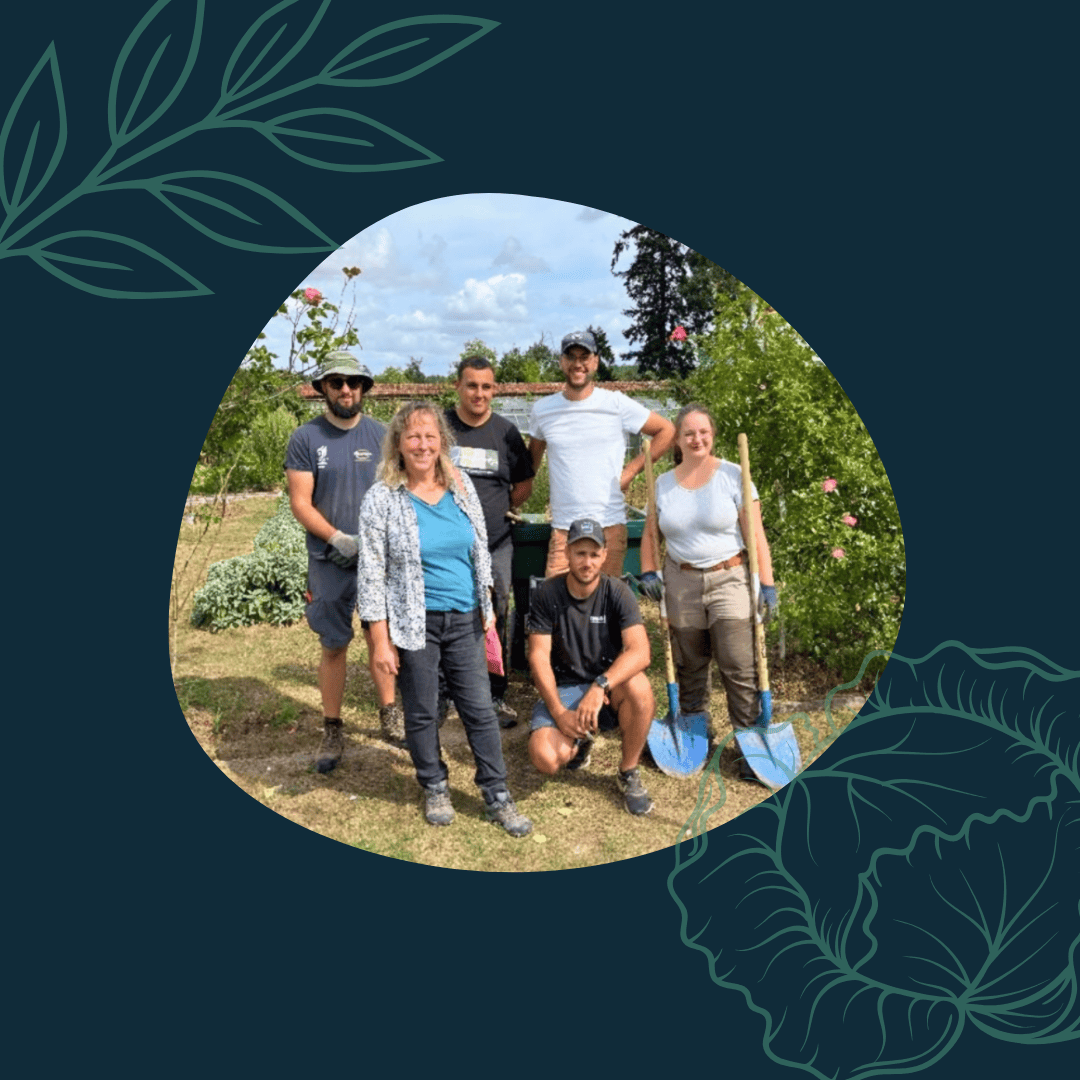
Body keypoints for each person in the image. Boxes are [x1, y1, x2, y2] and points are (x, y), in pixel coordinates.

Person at [357, 402, 533, 836]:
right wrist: (380, 641)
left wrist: (487, 605)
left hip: (466, 618)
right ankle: (434, 784)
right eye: (413, 436)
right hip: (414, 621)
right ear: (399, 442)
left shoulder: (461, 485)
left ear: (442, 442)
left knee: (478, 708)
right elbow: (371, 574)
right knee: (421, 710)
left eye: (430, 436)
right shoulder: (382, 497)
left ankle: (497, 793)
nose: (422, 444)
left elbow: (479, 548)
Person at [638, 404, 778, 778]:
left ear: (712, 435)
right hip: (681, 580)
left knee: (737, 662)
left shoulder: (735, 476)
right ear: (678, 440)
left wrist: (767, 583)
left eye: (703, 432)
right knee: (689, 662)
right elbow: (651, 534)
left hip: (729, 577)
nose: (696, 439)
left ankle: (750, 739)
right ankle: (693, 729)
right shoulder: (663, 483)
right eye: (688, 433)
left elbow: (756, 535)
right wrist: (648, 571)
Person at [284, 350, 404, 773]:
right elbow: (301, 502)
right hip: (329, 558)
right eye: (337, 382)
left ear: (364, 388)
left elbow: (397, 493)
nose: (346, 389)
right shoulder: (305, 439)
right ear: (323, 389)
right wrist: (335, 536)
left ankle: (390, 715)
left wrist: (380, 543)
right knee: (334, 645)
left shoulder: (382, 436)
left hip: (377, 561)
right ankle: (332, 727)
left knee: (381, 638)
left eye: (354, 382)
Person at [526, 518, 656, 816]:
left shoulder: (618, 592)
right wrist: (558, 711)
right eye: (580, 553)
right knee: (546, 758)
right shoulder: (547, 593)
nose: (587, 562)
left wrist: (600, 686)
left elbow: (641, 651)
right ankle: (579, 740)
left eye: (594, 554)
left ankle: (628, 771)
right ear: (568, 554)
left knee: (639, 686)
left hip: (607, 688)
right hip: (564, 691)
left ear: (604, 556)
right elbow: (537, 657)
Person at [528, 330, 675, 578]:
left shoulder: (615, 404)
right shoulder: (543, 410)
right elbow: (529, 465)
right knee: (557, 610)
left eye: (584, 357)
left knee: (605, 610)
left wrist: (629, 472)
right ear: (562, 362)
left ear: (595, 361)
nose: (578, 364)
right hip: (564, 531)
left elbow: (666, 431)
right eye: (571, 357)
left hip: (608, 527)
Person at [445, 355, 535, 727]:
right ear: (458, 387)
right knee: (449, 615)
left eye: (486, 386)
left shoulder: (506, 432)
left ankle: (494, 694)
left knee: (494, 613)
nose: (479, 393)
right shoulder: (441, 427)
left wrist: (493, 512)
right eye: (472, 385)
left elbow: (523, 484)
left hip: (496, 544)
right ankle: (450, 692)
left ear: (493, 389)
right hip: (447, 546)